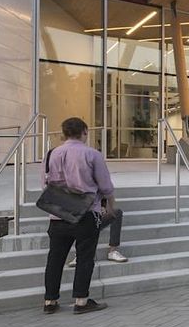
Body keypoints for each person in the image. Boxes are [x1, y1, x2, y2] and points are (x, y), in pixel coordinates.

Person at [41, 117, 115, 314]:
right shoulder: (92, 154)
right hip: (86, 213)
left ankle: (50, 301)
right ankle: (81, 301)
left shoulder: (51, 154)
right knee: (85, 257)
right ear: (85, 132)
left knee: (55, 258)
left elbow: (45, 183)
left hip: (58, 214)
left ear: (64, 133)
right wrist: (110, 205)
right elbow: (106, 187)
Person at [67, 198, 127, 267]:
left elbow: (103, 196)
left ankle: (113, 251)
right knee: (83, 218)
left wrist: (103, 207)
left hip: (97, 217)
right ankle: (80, 254)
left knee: (117, 212)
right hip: (83, 217)